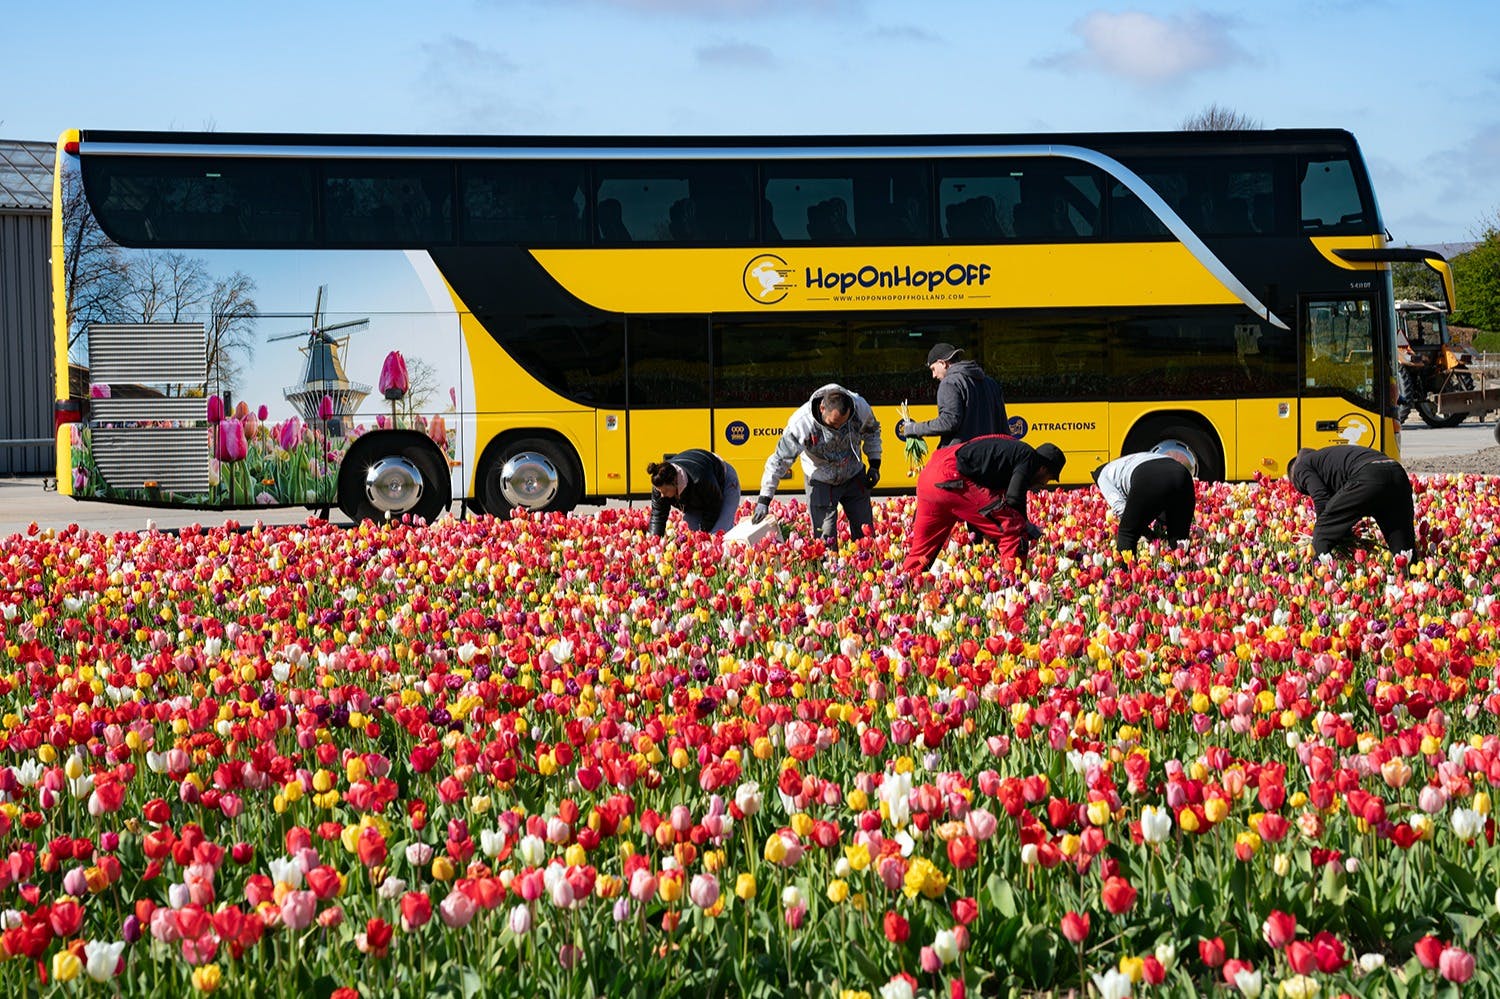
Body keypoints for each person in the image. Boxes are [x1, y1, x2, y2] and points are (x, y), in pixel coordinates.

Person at [903, 434, 1065, 574]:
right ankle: (1016, 590)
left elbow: (981, 505)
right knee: (1014, 530)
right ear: (1044, 468)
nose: (1044, 484)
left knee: (922, 553)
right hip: (952, 478)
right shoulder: (1029, 457)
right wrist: (1025, 526)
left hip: (930, 475)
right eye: (1049, 478)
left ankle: (905, 586)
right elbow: (1014, 498)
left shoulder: (1008, 449)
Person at [752, 385, 882, 541]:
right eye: (833, 423)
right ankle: (827, 564)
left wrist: (875, 465)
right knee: (824, 537)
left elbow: (872, 433)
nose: (838, 428)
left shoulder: (860, 407)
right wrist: (764, 499)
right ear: (822, 408)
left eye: (842, 423)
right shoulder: (801, 423)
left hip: (853, 474)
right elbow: (780, 460)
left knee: (865, 533)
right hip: (820, 478)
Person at [1288, 445, 1415, 555]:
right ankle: (1409, 580)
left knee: (1322, 532)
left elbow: (1321, 498)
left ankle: (1319, 579)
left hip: (1369, 475)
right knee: (1403, 549)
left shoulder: (1301, 467)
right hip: (1397, 473)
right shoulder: (1328, 459)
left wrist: (1329, 532)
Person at [895, 343, 1008, 449]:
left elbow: (948, 422)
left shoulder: (950, 382)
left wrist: (914, 428)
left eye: (933, 369)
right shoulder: (991, 383)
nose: (933, 375)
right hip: (990, 456)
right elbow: (1003, 426)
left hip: (962, 458)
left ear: (943, 363)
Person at [1092, 446, 1198, 552]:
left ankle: (1124, 569)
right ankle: (1183, 568)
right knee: (1179, 541)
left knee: (1127, 533)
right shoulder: (1130, 459)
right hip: (1182, 473)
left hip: (1147, 477)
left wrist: (1148, 534)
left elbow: (1121, 509)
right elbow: (1161, 492)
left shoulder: (1103, 475)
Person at [646, 449, 740, 537]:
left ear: (675, 482)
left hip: (724, 483)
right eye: (660, 492)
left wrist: (704, 533)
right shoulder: (660, 485)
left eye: (666, 491)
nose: (662, 495)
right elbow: (658, 516)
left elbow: (714, 506)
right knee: (692, 531)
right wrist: (654, 541)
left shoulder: (699, 478)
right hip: (697, 497)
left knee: (718, 532)